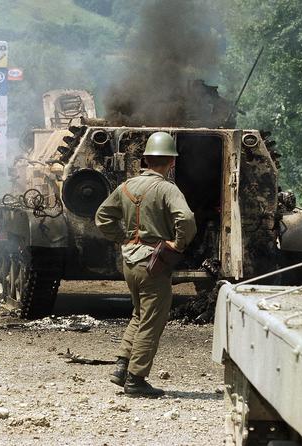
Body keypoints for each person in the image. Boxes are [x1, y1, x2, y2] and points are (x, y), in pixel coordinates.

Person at [95, 131, 197, 397]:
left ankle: (121, 365)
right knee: (152, 320)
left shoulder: (126, 187)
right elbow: (185, 218)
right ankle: (136, 379)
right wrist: (178, 243)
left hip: (130, 261)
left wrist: (124, 239)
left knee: (139, 314)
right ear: (171, 162)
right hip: (154, 263)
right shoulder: (167, 188)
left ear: (146, 159)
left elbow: (102, 216)